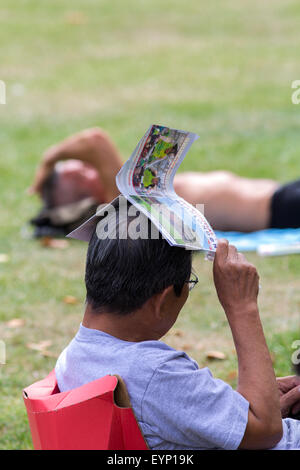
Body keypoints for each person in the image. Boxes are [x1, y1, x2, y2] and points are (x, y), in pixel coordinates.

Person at [55, 203, 300, 450]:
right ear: (162, 301)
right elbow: (265, 431)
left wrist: (262, 398)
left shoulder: (74, 358)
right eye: (188, 284)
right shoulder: (154, 373)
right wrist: (242, 307)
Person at [29, 128, 300, 234]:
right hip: (283, 210)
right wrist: (48, 160)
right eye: (79, 178)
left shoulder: (136, 191)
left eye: (83, 167)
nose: (89, 169)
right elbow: (94, 140)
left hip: (285, 193)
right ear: (85, 203)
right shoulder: (128, 208)